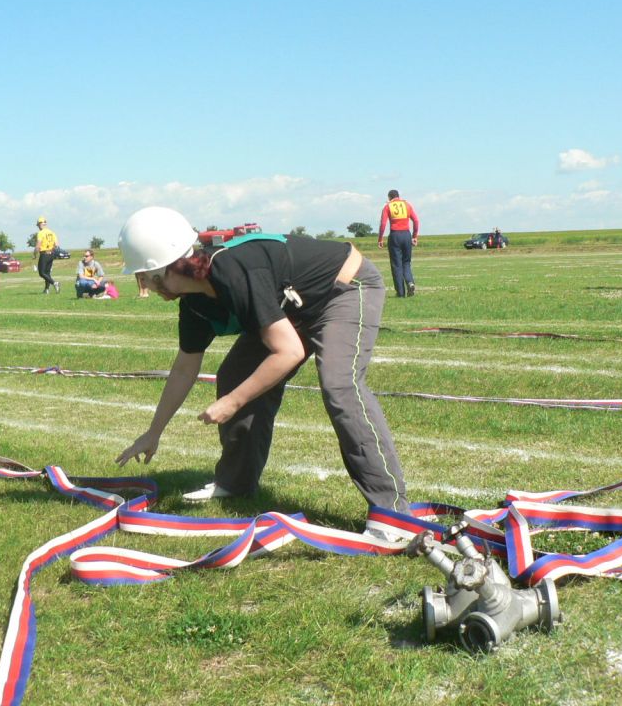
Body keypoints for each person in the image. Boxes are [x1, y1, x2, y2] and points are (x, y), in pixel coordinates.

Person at [115, 206, 409, 520]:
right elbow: (185, 369)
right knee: (236, 374)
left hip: (345, 288)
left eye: (143, 277)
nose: (144, 285)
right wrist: (153, 432)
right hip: (296, 306)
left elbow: (288, 352)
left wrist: (232, 402)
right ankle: (236, 483)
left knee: (340, 384)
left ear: (162, 271)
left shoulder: (233, 271)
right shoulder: (194, 304)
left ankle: (392, 512)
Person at [377, 189, 420, 297]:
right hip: (406, 235)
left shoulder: (388, 206)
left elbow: (383, 224)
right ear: (398, 196)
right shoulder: (407, 205)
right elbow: (416, 221)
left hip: (395, 235)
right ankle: (410, 282)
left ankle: (400, 293)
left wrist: (380, 239)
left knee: (396, 265)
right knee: (406, 262)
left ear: (389, 197)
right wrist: (414, 236)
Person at [32, 216, 60, 294]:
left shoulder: (40, 233)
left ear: (41, 224)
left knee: (42, 273)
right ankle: (46, 289)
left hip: (44, 254)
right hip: (52, 254)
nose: (38, 226)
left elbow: (38, 245)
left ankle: (55, 283)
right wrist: (51, 250)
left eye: (38, 224)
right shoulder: (52, 232)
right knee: (47, 273)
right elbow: (57, 244)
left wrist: (34, 254)